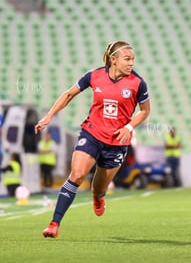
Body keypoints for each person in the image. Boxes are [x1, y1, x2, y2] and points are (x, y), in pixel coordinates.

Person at [35, 41, 150, 238]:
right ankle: (54, 224)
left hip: (117, 142)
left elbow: (145, 111)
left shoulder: (138, 83)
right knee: (77, 175)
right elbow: (69, 94)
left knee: (98, 189)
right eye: (127, 59)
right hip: (92, 133)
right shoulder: (95, 75)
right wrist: (49, 116)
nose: (131, 63)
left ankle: (98, 197)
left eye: (133, 59)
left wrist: (128, 127)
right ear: (113, 59)